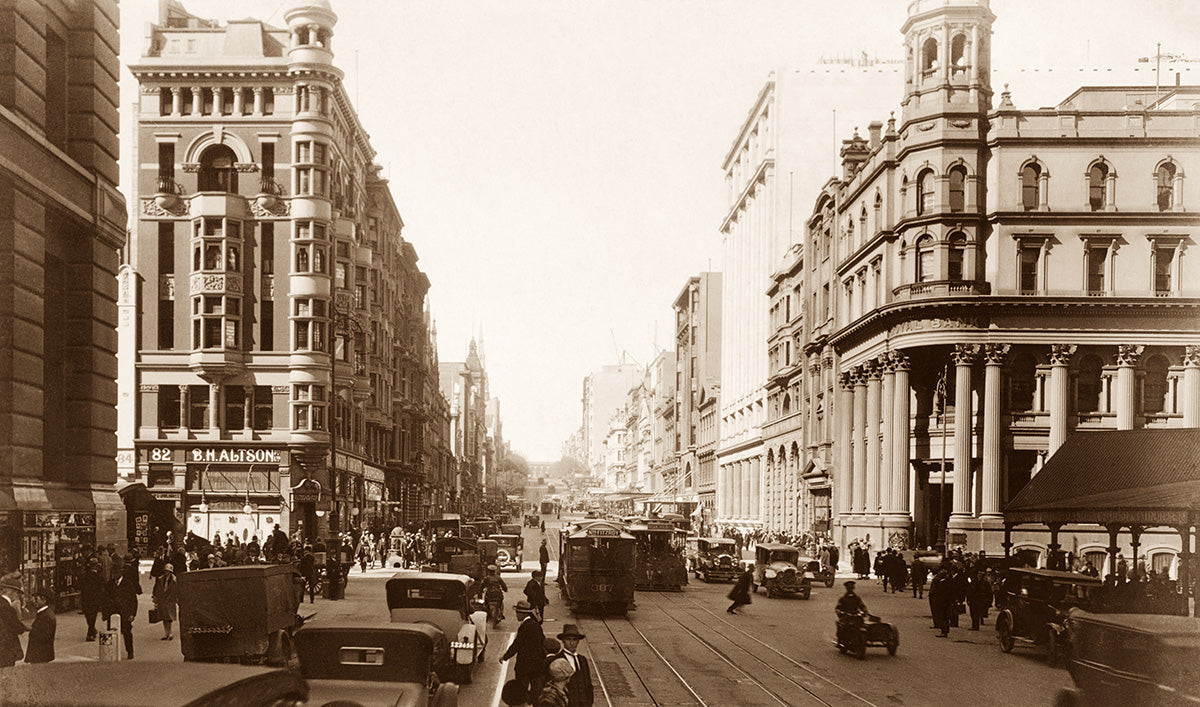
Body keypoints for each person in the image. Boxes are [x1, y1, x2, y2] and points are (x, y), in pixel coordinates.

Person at [501, 604, 547, 702]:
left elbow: (517, 644)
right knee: (536, 691)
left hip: (524, 666)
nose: (516, 615)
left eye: (517, 613)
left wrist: (505, 656)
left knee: (521, 691)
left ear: (523, 614)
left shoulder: (525, 626)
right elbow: (543, 641)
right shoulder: (536, 625)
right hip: (537, 665)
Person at [551, 624, 593, 707]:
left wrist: (589, 702)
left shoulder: (582, 660)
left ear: (578, 641)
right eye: (568, 639)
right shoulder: (557, 659)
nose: (571, 643)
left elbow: (588, 683)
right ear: (563, 641)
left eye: (574, 639)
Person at [111, 557, 141, 659]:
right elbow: (106, 599)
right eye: (113, 573)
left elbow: (133, 600)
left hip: (125, 613)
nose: (114, 575)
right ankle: (112, 652)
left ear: (120, 573)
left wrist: (133, 614)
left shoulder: (128, 584)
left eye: (116, 573)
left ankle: (130, 651)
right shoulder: (110, 585)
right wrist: (105, 613)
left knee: (127, 633)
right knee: (111, 634)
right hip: (113, 614)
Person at [0, 573, 26, 667]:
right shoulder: (7, 607)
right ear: (11, 592)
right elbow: (17, 627)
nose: (17, 595)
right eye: (17, 592)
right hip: (5, 650)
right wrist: (25, 627)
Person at [24, 590, 55, 663]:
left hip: (40, 654)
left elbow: (45, 636)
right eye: (33, 599)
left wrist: (31, 630)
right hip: (41, 654)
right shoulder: (45, 613)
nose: (34, 602)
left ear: (44, 600)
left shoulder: (46, 616)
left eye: (36, 599)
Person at [79, 556, 104, 641]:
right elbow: (102, 586)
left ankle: (91, 630)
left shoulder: (84, 575)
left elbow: (80, 585)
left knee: (88, 615)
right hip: (94, 599)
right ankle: (90, 632)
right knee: (93, 616)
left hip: (85, 598)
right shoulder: (98, 576)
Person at [152, 562, 178, 640]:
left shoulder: (174, 580)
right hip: (162, 600)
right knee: (164, 617)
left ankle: (170, 633)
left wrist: (176, 598)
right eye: (165, 571)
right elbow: (156, 588)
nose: (166, 572)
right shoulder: (161, 579)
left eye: (168, 571)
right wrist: (155, 597)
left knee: (169, 618)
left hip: (170, 600)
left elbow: (176, 590)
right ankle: (166, 633)